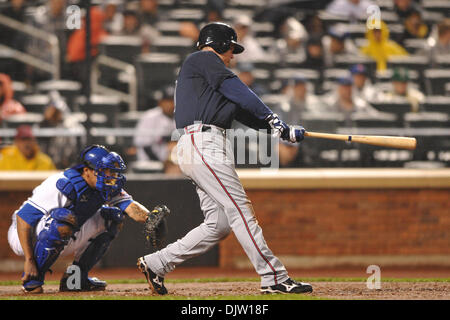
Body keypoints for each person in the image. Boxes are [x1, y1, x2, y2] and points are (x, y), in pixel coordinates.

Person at [137, 22, 312, 295]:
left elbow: (245, 113)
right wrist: (274, 119)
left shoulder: (211, 81)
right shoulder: (202, 59)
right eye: (231, 48)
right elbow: (239, 90)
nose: (233, 55)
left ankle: (157, 263)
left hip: (200, 144)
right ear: (218, 44)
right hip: (202, 142)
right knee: (240, 210)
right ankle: (273, 277)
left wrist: (283, 131)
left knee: (219, 224)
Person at [7, 144, 166, 293]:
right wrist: (29, 260)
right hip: (24, 235)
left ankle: (75, 278)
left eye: (112, 172)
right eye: (105, 171)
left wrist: (150, 218)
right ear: (86, 170)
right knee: (64, 219)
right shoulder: (61, 184)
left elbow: (130, 206)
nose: (111, 176)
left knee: (112, 217)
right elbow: (24, 218)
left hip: (63, 230)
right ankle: (32, 281)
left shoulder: (104, 186)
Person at [133, 85, 177, 167]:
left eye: (172, 101)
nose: (170, 104)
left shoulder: (181, 117)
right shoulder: (149, 117)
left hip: (173, 164)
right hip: (150, 162)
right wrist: (160, 163)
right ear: (160, 102)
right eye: (167, 101)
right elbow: (144, 145)